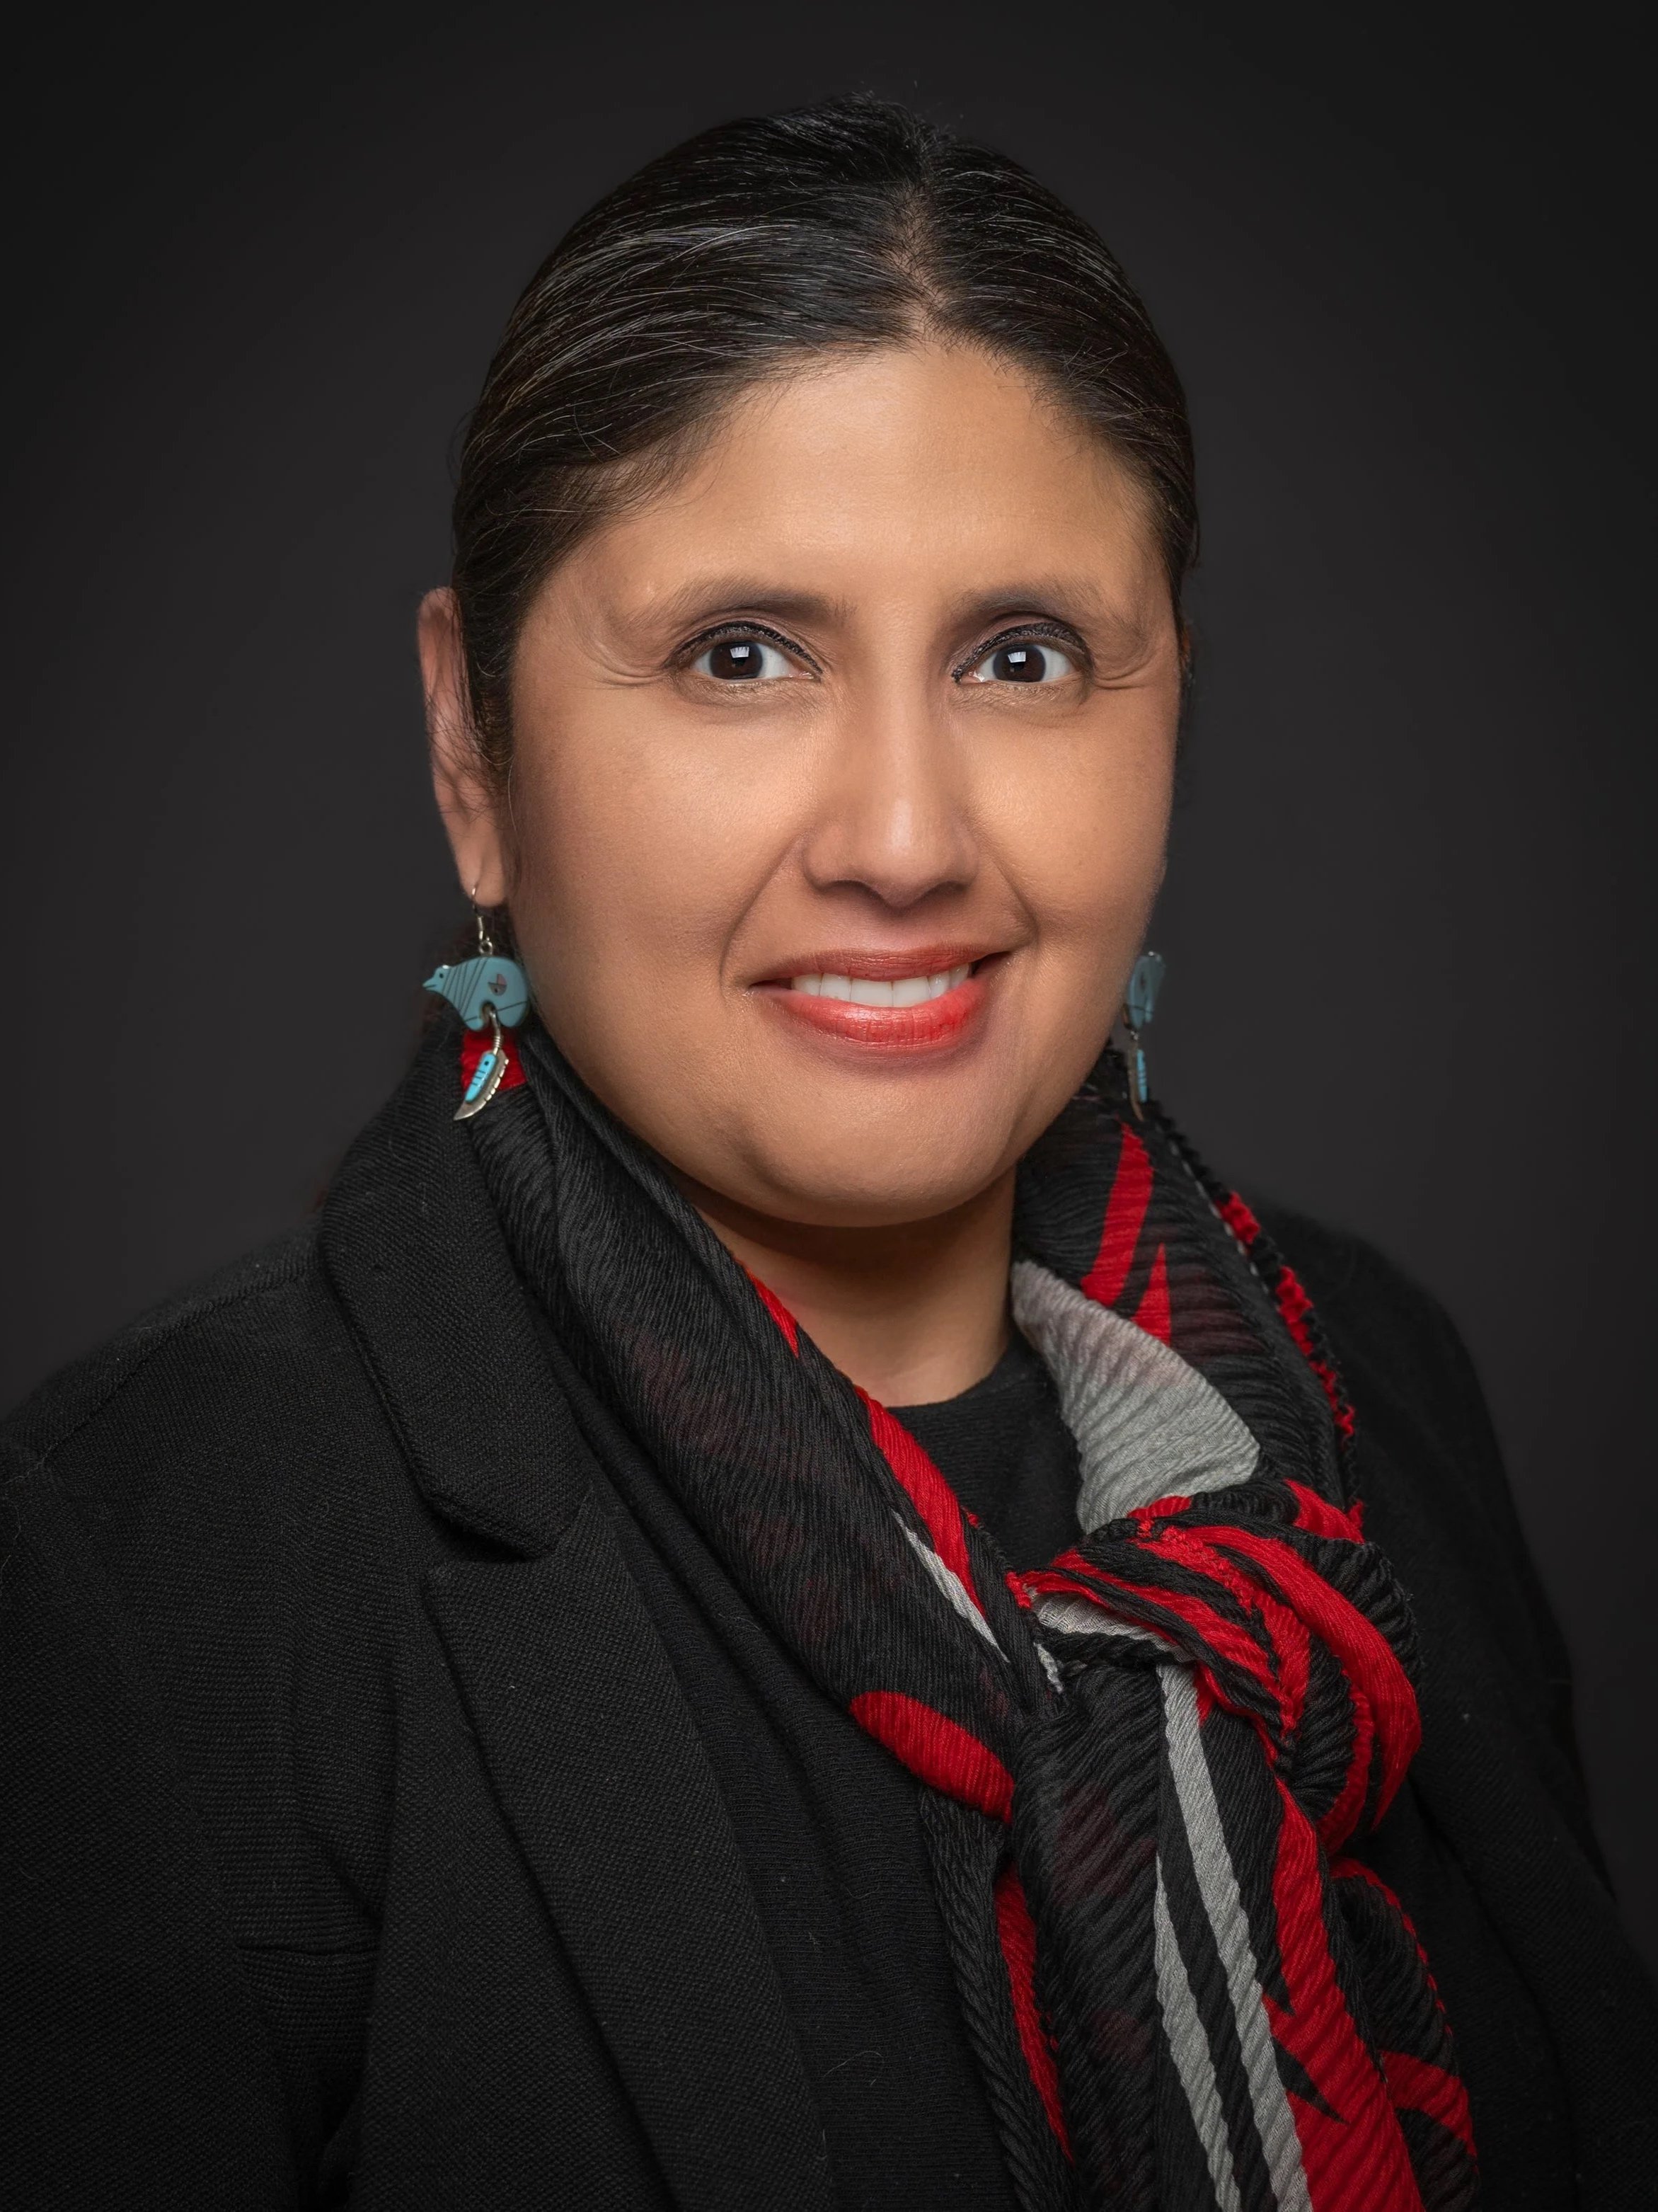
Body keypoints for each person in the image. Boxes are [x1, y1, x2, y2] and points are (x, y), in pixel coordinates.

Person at [2, 97, 1652, 2212]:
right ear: (470, 748)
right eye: (742, 656)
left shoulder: (1377, 1392)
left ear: (1172, 705)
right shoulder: (141, 1578)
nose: (902, 838)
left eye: (1023, 657)